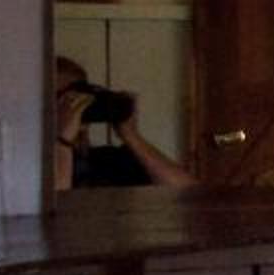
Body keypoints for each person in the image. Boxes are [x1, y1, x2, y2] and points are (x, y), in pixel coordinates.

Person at [51, 57, 196, 191]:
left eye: (79, 95)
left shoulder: (111, 162)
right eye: (64, 99)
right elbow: (53, 206)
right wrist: (62, 140)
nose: (74, 104)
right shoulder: (38, 169)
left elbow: (189, 195)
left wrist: (131, 135)